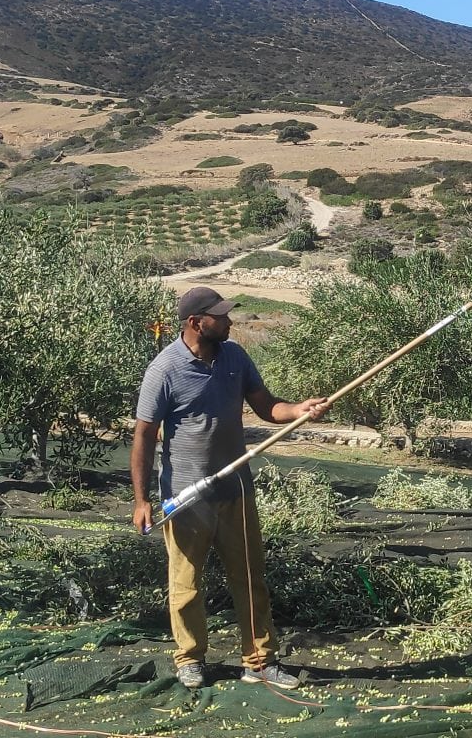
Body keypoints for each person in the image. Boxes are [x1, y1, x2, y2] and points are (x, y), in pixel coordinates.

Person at [131, 286, 328, 690]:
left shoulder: (235, 357)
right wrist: (141, 500)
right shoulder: (164, 369)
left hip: (236, 491)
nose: (229, 321)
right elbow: (144, 435)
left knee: (250, 578)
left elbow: (268, 406)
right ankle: (190, 659)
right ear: (195, 323)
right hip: (186, 497)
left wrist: (300, 410)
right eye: (219, 316)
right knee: (186, 585)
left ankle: (259, 661)